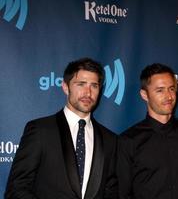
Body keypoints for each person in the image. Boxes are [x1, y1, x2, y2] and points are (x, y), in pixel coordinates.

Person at [5, 58, 118, 199]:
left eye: (94, 86)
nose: (88, 93)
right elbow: (16, 188)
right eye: (81, 84)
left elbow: (111, 191)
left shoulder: (110, 139)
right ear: (65, 87)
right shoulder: (40, 131)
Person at [117, 63, 178, 199]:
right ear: (144, 95)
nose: (169, 96)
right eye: (160, 90)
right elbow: (123, 194)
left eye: (171, 89)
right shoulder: (128, 141)